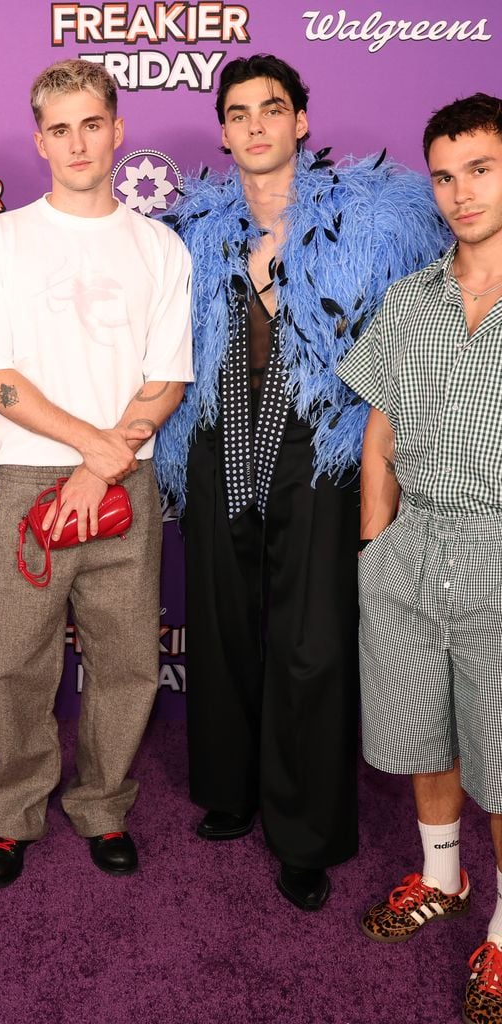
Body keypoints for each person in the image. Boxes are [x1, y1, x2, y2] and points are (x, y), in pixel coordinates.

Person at [153, 54, 448, 910]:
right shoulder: (190, 229)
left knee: (314, 644)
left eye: (271, 109)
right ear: (221, 131)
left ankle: (306, 832)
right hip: (214, 441)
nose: (254, 125)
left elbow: (417, 335)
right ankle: (232, 792)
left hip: (320, 448)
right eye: (238, 112)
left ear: (301, 121)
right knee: (220, 623)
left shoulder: (376, 221)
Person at [0, 58, 192, 888]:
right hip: (29, 480)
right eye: (60, 128)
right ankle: (11, 813)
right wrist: (91, 451)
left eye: (92, 123)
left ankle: (103, 805)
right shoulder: (2, 241)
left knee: (127, 658)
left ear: (117, 130)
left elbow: (165, 378)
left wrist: (107, 461)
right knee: (17, 661)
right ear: (40, 141)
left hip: (128, 483)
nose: (78, 142)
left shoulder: (159, 246)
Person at [338, 92, 502, 1023]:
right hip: (410, 550)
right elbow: (379, 434)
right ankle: (441, 875)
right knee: (420, 730)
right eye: (444, 175)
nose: (459, 193)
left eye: (479, 168)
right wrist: (374, 545)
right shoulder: (411, 299)